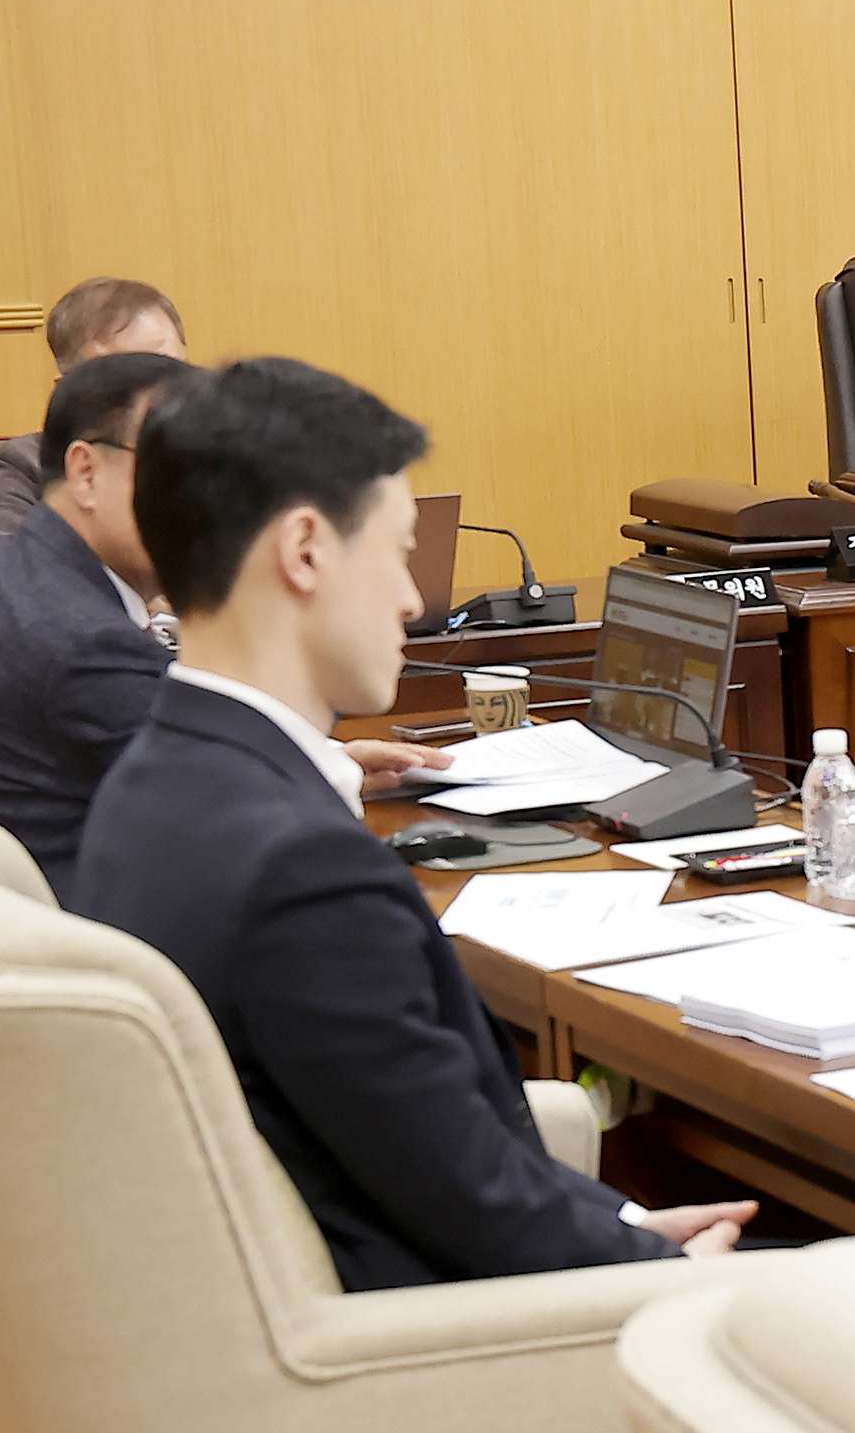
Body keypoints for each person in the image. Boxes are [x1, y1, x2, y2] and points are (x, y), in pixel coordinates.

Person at [70, 357, 753, 1290]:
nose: (411, 598)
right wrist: (663, 1268)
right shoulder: (302, 871)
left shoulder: (149, 780)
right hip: (455, 1339)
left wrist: (626, 1221)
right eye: (396, 553)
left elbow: (439, 1155)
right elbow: (475, 1203)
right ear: (305, 550)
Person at [0, 352, 446, 895]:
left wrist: (331, 761)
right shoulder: (79, 635)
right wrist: (326, 771)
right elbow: (217, 797)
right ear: (85, 473)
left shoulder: (30, 575)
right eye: (168, 469)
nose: (204, 498)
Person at [0, 277, 187, 562]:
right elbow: (8, 574)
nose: (155, 394)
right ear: (69, 391)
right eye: (124, 381)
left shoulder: (224, 449)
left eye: (171, 371)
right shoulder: (27, 463)